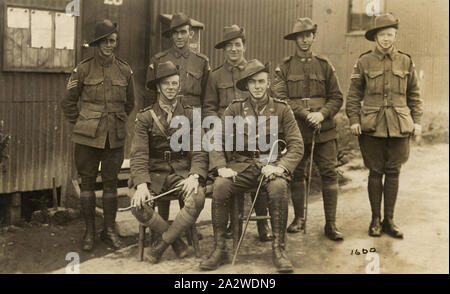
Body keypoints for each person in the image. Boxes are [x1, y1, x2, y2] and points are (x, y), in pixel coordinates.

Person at [200, 59, 304, 273]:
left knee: (278, 188)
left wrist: (280, 168)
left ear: (268, 83)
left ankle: (279, 249)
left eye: (261, 81)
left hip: (271, 165)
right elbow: (216, 140)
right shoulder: (235, 109)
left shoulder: (282, 110)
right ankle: (220, 248)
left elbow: (296, 145)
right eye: (253, 82)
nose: (257, 86)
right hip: (242, 166)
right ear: (247, 85)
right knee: (220, 186)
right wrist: (220, 167)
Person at [346, 13, 423, 238]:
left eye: (390, 34)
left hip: (399, 126)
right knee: (375, 172)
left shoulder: (406, 61)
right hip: (371, 126)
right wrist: (353, 120)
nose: (387, 39)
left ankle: (390, 220)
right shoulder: (364, 61)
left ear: (395, 35)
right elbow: (353, 95)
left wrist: (417, 122)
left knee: (394, 172)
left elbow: (415, 95)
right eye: (382, 34)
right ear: (375, 37)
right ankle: (375, 220)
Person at [61, 19, 135, 251]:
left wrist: (116, 120)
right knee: (87, 184)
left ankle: (109, 230)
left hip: (114, 136)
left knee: (111, 184)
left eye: (112, 40)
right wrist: (82, 123)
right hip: (86, 138)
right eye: (103, 41)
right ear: (96, 44)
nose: (108, 45)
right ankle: (89, 232)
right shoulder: (82, 69)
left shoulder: (124, 70)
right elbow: (68, 102)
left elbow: (130, 103)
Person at [272, 18, 344, 240]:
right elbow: (279, 98)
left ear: (314, 37)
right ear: (294, 39)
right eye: (300, 36)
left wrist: (321, 114)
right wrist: (305, 114)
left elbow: (336, 97)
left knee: (329, 174)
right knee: (297, 174)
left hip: (324, 129)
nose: (304, 40)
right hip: (297, 130)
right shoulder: (284, 67)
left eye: (308, 35)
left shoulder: (324, 65)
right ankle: (299, 218)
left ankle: (330, 224)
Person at [129, 61, 208, 263]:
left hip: (180, 173)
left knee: (197, 197)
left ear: (179, 85)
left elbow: (199, 150)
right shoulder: (146, 116)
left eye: (175, 83)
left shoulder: (190, 114)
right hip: (153, 174)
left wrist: (195, 175)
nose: (171, 88)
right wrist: (140, 184)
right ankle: (176, 242)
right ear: (158, 87)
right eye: (166, 84)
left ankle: (160, 245)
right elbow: (139, 153)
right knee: (137, 204)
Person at [203, 24, 273, 242]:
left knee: (259, 175)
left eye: (237, 44)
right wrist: (216, 131)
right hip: (225, 138)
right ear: (224, 49)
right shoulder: (215, 76)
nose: (233, 49)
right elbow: (209, 107)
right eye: (229, 46)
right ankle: (230, 225)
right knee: (228, 180)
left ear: (244, 46)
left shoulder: (254, 70)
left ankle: (263, 224)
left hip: (253, 135)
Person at [146, 12, 210, 223]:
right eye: (176, 33)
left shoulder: (201, 62)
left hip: (192, 121)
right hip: (166, 119)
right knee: (167, 165)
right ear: (171, 35)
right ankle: (163, 222)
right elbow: (150, 96)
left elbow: (206, 96)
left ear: (191, 34)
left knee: (188, 168)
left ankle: (186, 224)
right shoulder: (159, 60)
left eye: (184, 32)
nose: (180, 37)